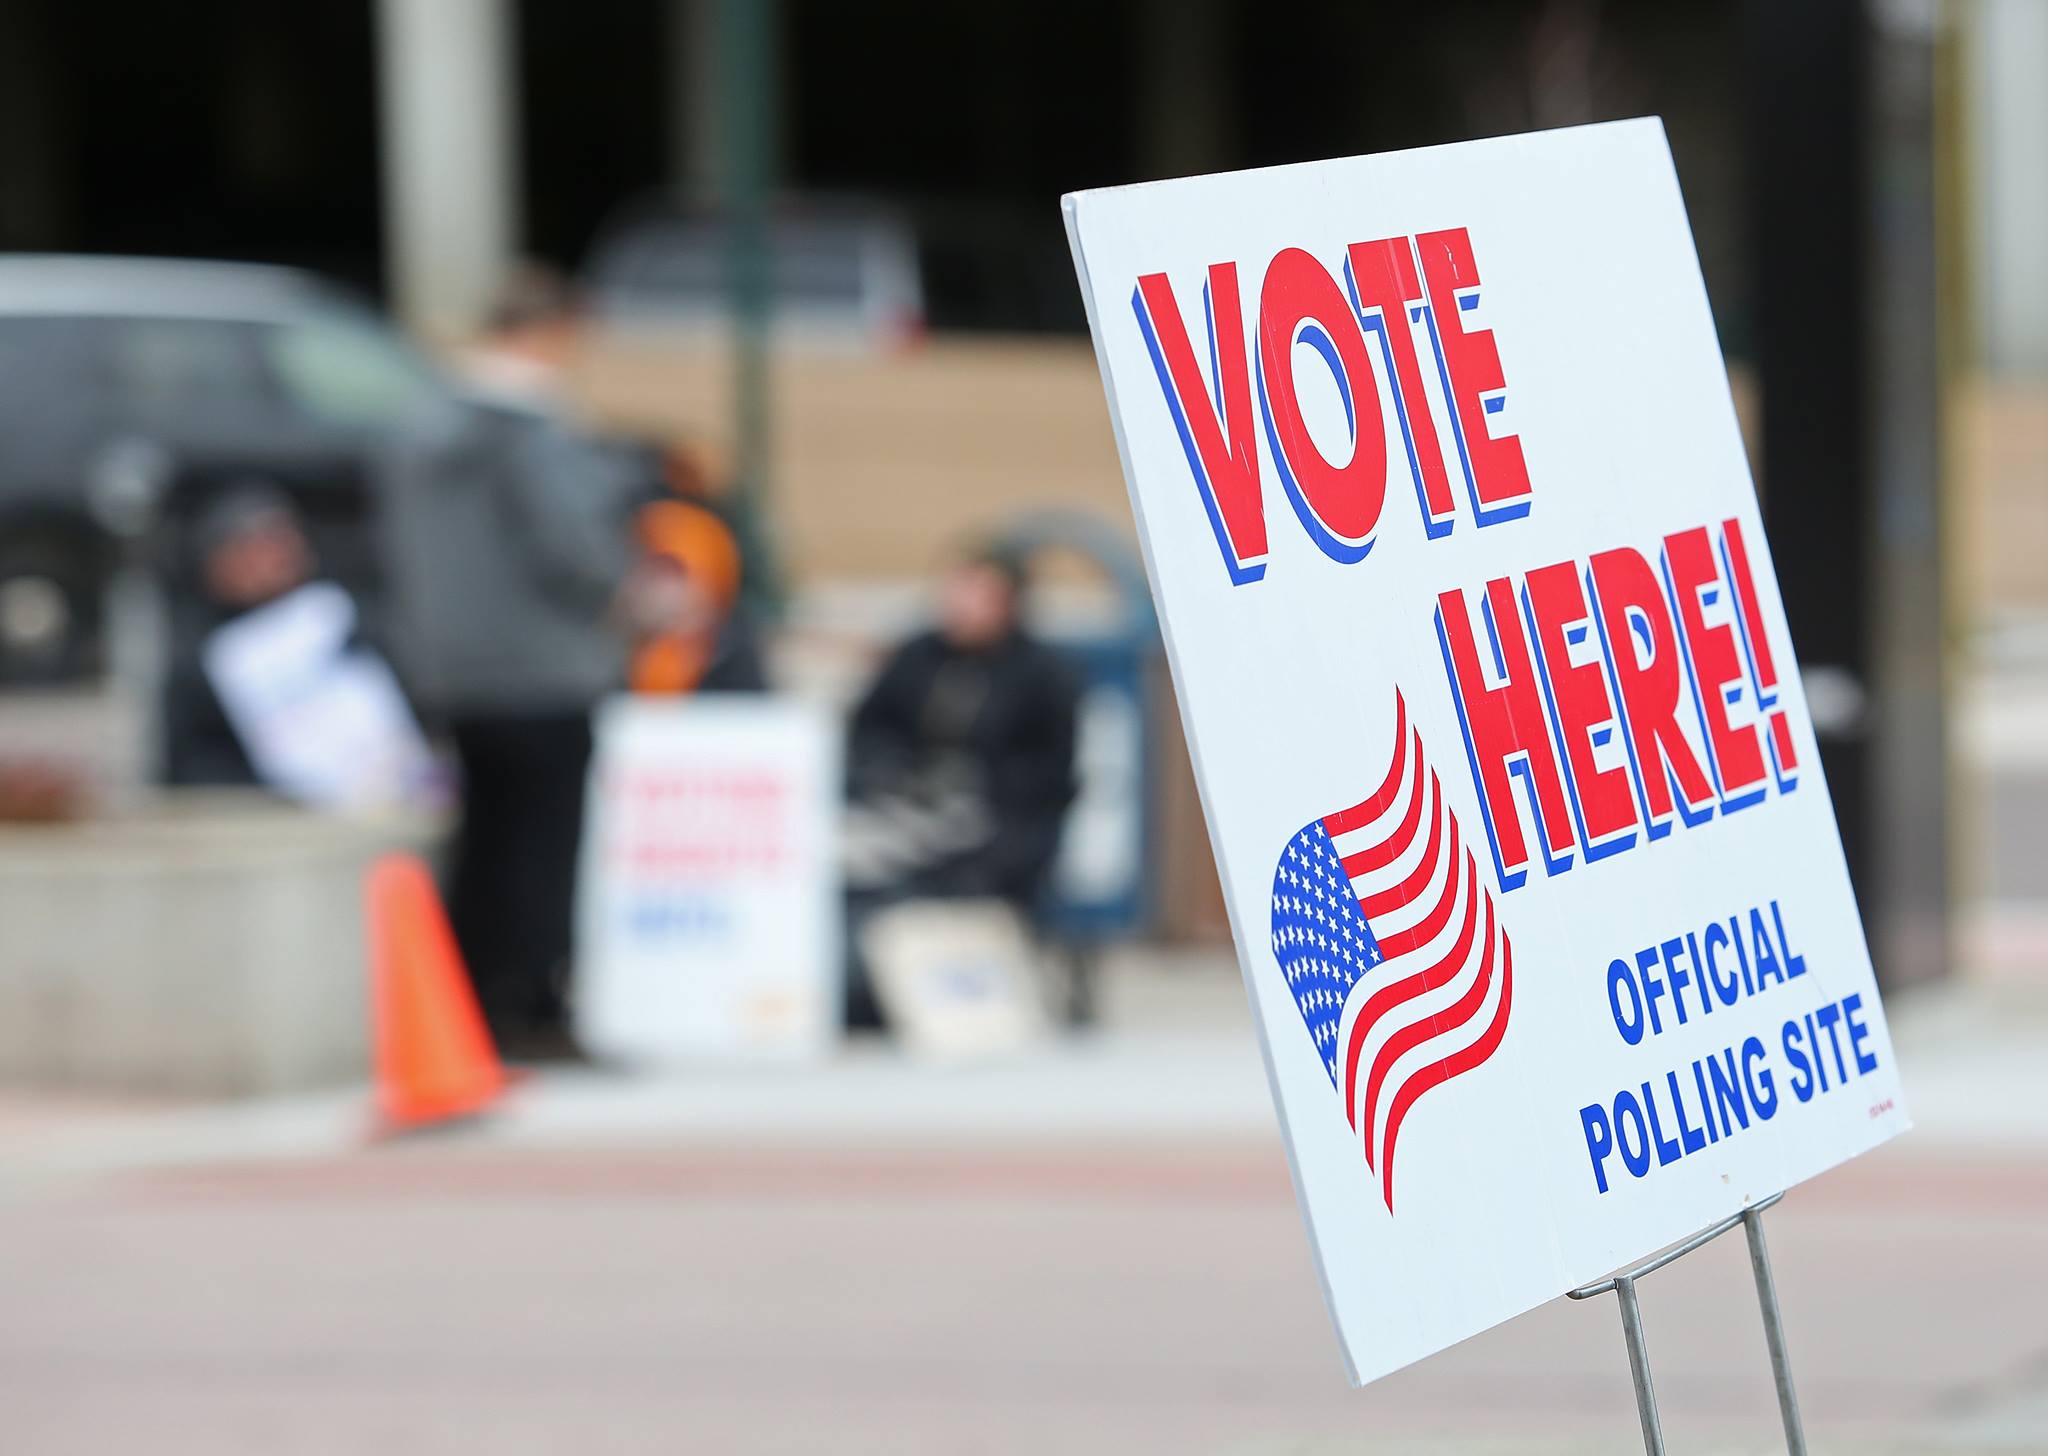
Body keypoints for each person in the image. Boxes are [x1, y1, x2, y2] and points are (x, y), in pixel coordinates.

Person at [842, 546, 1080, 1028]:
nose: (961, 604)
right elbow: (867, 730)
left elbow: (1050, 771)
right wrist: (899, 778)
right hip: (909, 811)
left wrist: (978, 791)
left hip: (1003, 825)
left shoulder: (1042, 672)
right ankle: (862, 995)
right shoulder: (918, 655)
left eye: (976, 593)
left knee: (956, 875)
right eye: (956, 590)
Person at [161, 486, 318, 788]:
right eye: (252, 547)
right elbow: (188, 771)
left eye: (280, 542)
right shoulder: (200, 664)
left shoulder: (344, 629)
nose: (273, 559)